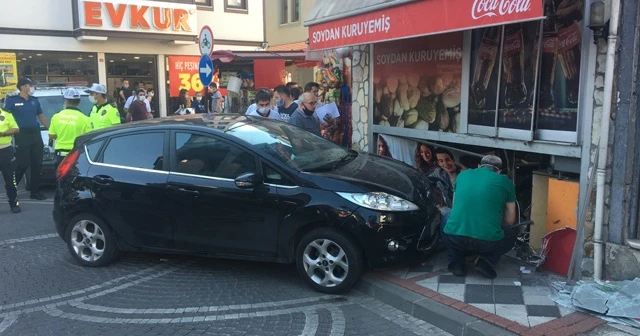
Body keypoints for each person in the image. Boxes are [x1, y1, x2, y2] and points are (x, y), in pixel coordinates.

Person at [440, 155, 517, 279]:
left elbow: (455, 207)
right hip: (488, 243)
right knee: (510, 234)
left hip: (456, 238)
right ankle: (486, 263)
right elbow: (510, 220)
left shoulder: (462, 175)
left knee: (446, 218)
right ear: (499, 171)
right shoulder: (505, 182)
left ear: (479, 166)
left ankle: (457, 263)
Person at [4, 78, 49, 200]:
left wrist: (50, 129)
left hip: (35, 134)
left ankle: (35, 192)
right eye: (30, 85)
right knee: (22, 164)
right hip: (21, 135)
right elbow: (4, 117)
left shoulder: (34, 101)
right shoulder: (12, 100)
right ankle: (11, 189)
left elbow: (41, 117)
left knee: (37, 164)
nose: (31, 87)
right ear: (23, 87)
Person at [48, 88, 91, 166]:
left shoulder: (56, 117)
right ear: (79, 102)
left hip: (60, 156)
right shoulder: (85, 119)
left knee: (60, 177)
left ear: (66, 101)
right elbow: (88, 137)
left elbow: (51, 135)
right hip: (77, 155)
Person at [0, 106, 21, 213]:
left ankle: (15, 204)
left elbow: (16, 129)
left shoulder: (6, 114)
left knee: (10, 180)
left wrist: (3, 133)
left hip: (5, 150)